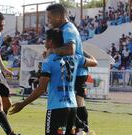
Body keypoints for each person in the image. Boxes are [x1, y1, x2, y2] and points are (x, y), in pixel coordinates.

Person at [10, 28, 78, 135]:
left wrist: (22, 104)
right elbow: (92, 61)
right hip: (73, 107)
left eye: (46, 40)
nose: (44, 42)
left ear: (50, 42)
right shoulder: (71, 59)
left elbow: (41, 89)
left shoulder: (48, 61)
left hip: (57, 108)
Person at [45, 3, 96, 134]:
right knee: (75, 102)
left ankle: (83, 129)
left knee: (73, 103)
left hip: (76, 72)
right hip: (76, 69)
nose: (48, 21)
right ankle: (81, 129)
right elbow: (77, 50)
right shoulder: (67, 29)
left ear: (60, 16)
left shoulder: (68, 29)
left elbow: (70, 49)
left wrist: (52, 51)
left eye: (50, 17)